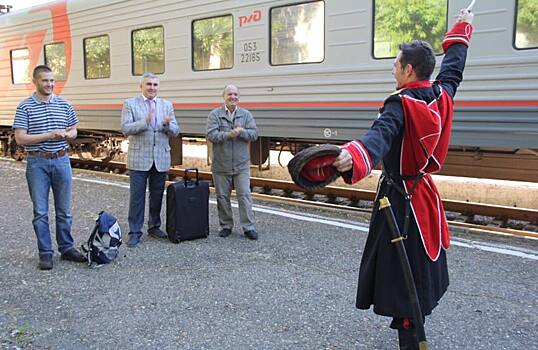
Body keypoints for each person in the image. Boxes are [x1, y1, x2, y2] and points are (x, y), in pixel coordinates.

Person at [332, 9, 474, 349]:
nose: (392, 68)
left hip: (398, 202)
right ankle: (413, 320)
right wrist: (462, 28)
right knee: (417, 270)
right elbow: (453, 69)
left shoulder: (400, 104)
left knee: (401, 276)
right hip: (423, 194)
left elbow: (380, 135)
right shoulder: (441, 94)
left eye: (396, 64)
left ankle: (410, 336)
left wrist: (355, 155)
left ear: (408, 70)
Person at [13, 65, 87, 270]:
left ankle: (66, 248)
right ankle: (45, 253)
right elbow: (20, 138)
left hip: (62, 160)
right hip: (37, 162)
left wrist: (67, 135)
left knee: (64, 210)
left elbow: (74, 130)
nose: (50, 84)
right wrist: (48, 135)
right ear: (35, 81)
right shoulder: (25, 107)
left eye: (52, 80)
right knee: (40, 211)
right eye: (45, 80)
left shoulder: (63, 104)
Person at [121, 72, 180, 247]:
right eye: (148, 84)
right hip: (139, 158)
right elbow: (125, 128)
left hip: (160, 158)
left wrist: (168, 125)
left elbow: (176, 131)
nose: (152, 88)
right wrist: (145, 122)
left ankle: (154, 227)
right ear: (141, 86)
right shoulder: (130, 104)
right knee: (137, 197)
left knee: (156, 195)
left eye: (155, 85)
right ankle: (134, 231)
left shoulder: (166, 105)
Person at [206, 84, 258, 240]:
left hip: (241, 165)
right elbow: (211, 135)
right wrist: (229, 135)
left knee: (244, 195)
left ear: (239, 97)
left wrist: (241, 132)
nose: (233, 97)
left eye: (235, 94)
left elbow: (254, 134)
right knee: (222, 197)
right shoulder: (215, 114)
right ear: (224, 97)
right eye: (230, 94)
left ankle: (248, 227)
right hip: (221, 164)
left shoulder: (246, 115)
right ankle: (226, 225)